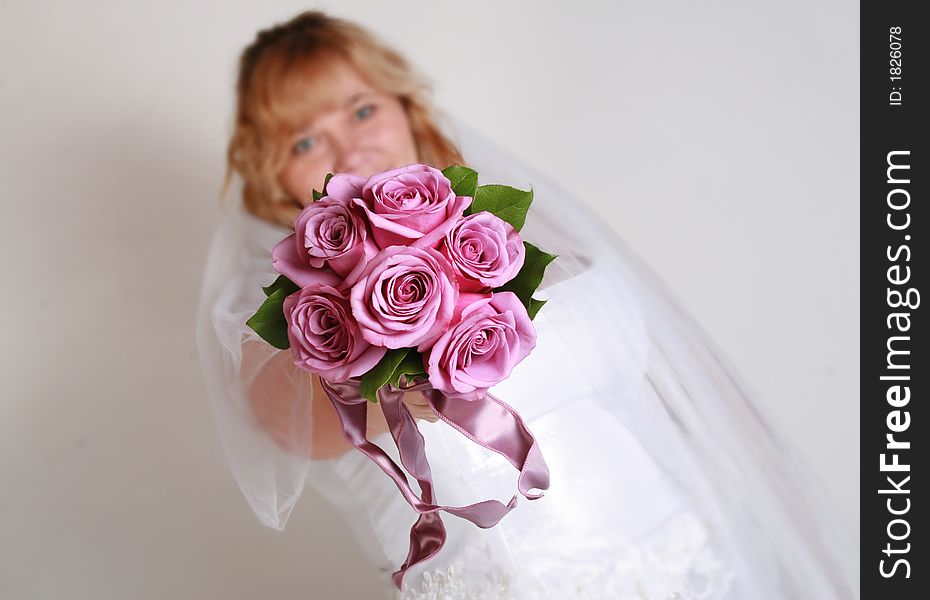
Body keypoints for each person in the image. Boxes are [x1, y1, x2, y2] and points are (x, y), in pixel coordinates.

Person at [197, 10, 858, 599]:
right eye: (304, 141)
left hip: (682, 551)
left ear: (403, 105)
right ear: (269, 169)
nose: (350, 149)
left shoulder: (508, 230)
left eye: (362, 110)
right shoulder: (286, 297)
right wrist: (393, 388)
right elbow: (287, 427)